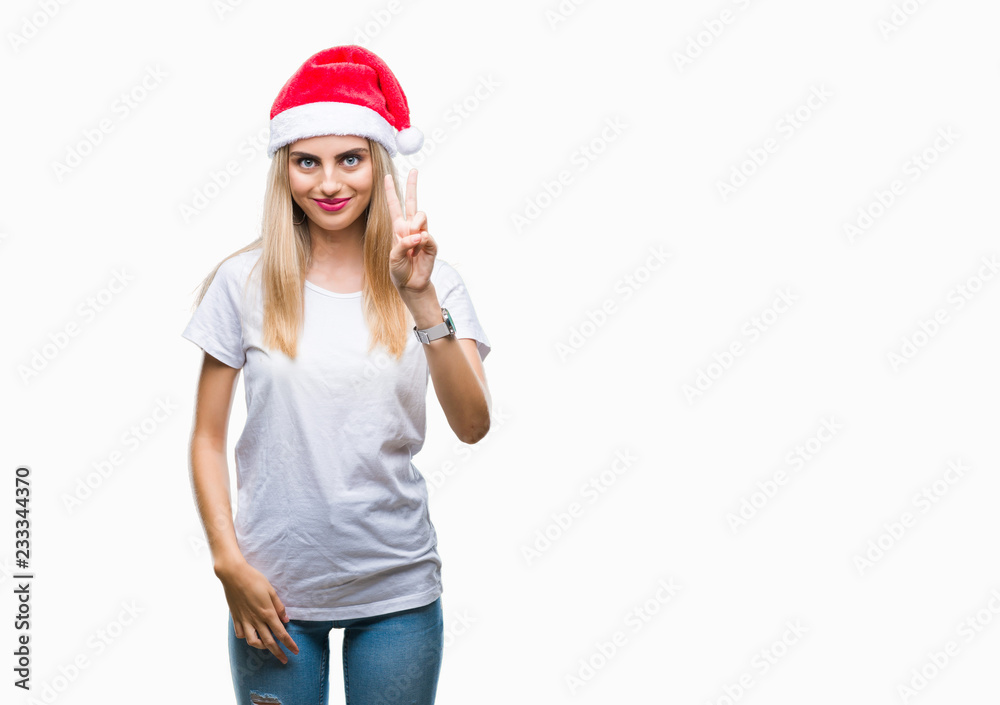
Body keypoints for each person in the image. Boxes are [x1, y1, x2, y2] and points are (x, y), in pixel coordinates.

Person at [182, 45, 493, 705]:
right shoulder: (242, 283)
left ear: (379, 164)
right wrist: (227, 562)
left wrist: (418, 301)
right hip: (273, 594)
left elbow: (472, 424)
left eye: (350, 159)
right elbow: (207, 437)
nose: (329, 183)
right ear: (283, 169)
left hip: (397, 591)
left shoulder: (435, 282)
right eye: (307, 161)